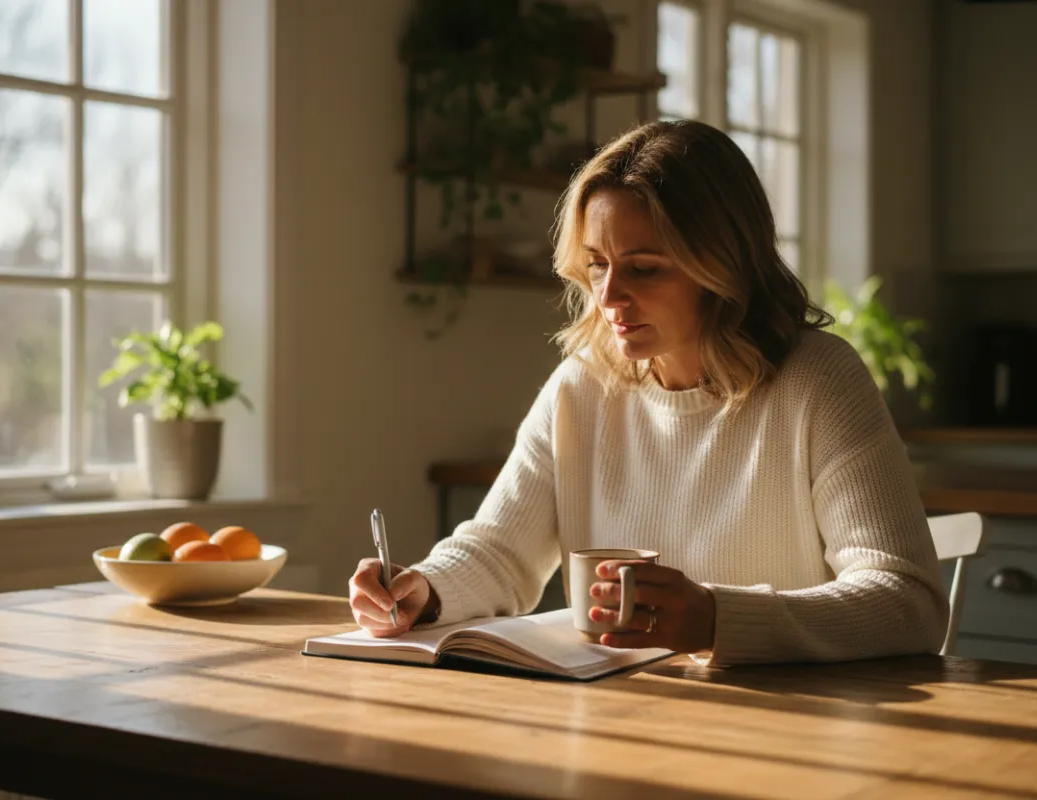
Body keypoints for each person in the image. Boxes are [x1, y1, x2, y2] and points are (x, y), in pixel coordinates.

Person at [348, 119, 948, 666]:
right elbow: (500, 552)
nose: (608, 298)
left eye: (644, 267)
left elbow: (908, 601)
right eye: (597, 265)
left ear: (724, 266)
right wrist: (423, 591)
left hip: (789, 734)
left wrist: (717, 620)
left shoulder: (819, 381)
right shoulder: (581, 387)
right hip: (625, 722)